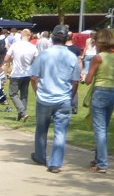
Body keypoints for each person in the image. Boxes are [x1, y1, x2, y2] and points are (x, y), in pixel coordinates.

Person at [29, 25, 82, 173]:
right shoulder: (72, 56)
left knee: (41, 129)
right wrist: (70, 96)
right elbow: (76, 81)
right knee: (60, 132)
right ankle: (55, 163)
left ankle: (40, 156)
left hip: (44, 97)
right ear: (66, 39)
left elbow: (33, 77)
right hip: (63, 98)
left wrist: (37, 92)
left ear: (52, 38)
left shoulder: (44, 54)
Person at [82, 28, 114, 173]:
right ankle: (98, 158)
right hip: (112, 93)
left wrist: (86, 76)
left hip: (100, 92)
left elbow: (88, 80)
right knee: (104, 128)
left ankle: (102, 164)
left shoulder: (98, 57)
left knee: (99, 130)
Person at [5, 29, 38, 123]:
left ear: (21, 35)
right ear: (29, 36)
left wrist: (12, 59)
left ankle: (22, 112)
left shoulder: (15, 45)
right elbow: (37, 60)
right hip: (27, 73)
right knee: (24, 95)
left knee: (13, 94)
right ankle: (21, 116)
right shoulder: (33, 47)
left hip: (16, 73)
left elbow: (6, 58)